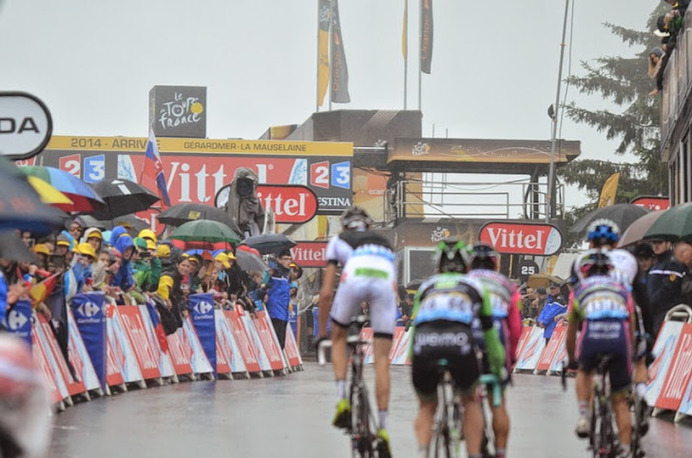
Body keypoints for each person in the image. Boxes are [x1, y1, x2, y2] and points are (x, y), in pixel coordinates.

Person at [410, 240, 506, 458]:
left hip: (425, 345)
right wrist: (498, 364)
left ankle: (423, 451)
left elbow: (416, 329)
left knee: (426, 406)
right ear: (467, 267)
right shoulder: (475, 286)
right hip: (459, 344)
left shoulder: (426, 287)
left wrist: (411, 358)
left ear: (437, 267)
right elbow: (489, 334)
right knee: (470, 400)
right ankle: (473, 453)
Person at [315, 207, 397, 457]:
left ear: (344, 227)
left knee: (339, 338)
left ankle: (342, 400)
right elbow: (392, 288)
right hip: (383, 285)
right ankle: (382, 429)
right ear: (369, 227)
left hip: (353, 279)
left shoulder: (338, 240)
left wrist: (322, 334)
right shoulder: (385, 243)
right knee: (382, 360)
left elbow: (326, 293)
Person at [566, 251, 635, 458]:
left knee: (584, 371)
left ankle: (584, 416)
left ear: (584, 273)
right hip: (619, 339)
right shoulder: (623, 290)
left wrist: (572, 360)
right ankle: (624, 450)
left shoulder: (579, 291)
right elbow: (630, 326)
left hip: (592, 338)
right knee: (620, 400)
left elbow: (571, 332)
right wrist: (630, 355)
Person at [467, 242, 520, 458]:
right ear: (495, 263)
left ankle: (474, 445)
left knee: (468, 399)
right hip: (495, 338)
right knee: (498, 402)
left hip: (467, 338)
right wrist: (511, 356)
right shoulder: (507, 285)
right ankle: (500, 453)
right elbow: (515, 328)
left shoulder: (464, 282)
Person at [648, 241, 690, 337]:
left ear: (668, 244)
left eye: (660, 242)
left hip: (668, 315)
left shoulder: (674, 265)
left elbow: (667, 290)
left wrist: (650, 303)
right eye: (654, 243)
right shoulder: (655, 266)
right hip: (655, 314)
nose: (656, 246)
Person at [264, 249, 293, 349]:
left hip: (283, 312)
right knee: (277, 341)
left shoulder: (286, 274)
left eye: (290, 259)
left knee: (281, 342)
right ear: (279, 260)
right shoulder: (275, 273)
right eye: (285, 259)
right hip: (275, 311)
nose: (288, 261)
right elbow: (266, 286)